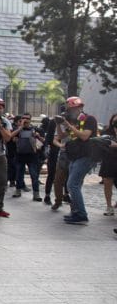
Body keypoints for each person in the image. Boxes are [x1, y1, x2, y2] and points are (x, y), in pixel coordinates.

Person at [63, 96, 98, 225]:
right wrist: (60, 124)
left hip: (86, 156)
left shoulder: (89, 119)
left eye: (73, 108)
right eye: (69, 109)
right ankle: (76, 212)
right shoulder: (73, 121)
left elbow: (84, 136)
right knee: (74, 185)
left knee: (72, 184)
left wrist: (69, 126)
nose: (70, 111)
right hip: (75, 156)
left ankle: (81, 214)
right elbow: (62, 136)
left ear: (80, 107)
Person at [11, 113, 44, 201]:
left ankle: (36, 194)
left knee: (34, 175)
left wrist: (38, 136)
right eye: (23, 118)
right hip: (20, 155)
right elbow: (11, 138)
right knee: (19, 175)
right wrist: (20, 128)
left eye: (27, 118)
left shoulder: (35, 129)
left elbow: (43, 141)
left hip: (32, 156)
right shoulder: (17, 129)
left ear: (30, 119)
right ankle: (18, 191)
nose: (25, 120)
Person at [99, 113, 117, 216]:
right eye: (114, 122)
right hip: (108, 160)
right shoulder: (107, 132)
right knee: (107, 183)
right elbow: (101, 144)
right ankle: (109, 206)